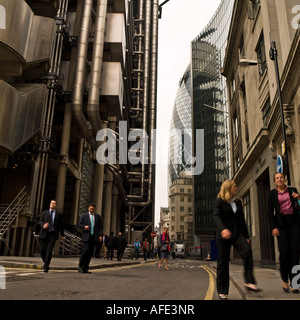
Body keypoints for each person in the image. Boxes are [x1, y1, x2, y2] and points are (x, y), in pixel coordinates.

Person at [213, 180, 261, 300]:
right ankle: (222, 291)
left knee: (247, 251)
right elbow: (216, 217)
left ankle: (249, 282)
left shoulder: (238, 202)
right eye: (235, 186)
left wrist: (246, 236)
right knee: (223, 262)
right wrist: (223, 229)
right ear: (228, 188)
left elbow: (242, 220)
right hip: (223, 235)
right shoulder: (219, 201)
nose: (237, 187)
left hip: (237, 234)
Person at [268, 172, 300, 293]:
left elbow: (298, 205)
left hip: (295, 223)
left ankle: (295, 282)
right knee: (284, 253)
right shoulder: (271, 194)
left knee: (295, 253)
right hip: (281, 225)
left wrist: (298, 197)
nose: (279, 179)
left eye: (281, 177)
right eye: (277, 178)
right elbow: (270, 213)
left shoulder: (292, 190)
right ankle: (284, 280)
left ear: (284, 179)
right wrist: (273, 227)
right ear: (274, 181)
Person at [38, 200, 65, 272]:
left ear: (56, 206)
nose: (52, 204)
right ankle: (46, 262)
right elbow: (40, 221)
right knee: (42, 250)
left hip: (53, 234)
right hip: (44, 233)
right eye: (51, 203)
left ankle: (46, 266)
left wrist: (62, 235)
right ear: (49, 204)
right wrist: (43, 225)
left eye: (54, 203)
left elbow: (61, 226)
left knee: (49, 251)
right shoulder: (44, 213)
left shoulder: (59, 215)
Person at [78, 203, 103, 273]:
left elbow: (100, 227)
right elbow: (79, 224)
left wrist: (100, 235)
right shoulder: (84, 216)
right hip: (86, 236)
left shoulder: (97, 217)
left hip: (93, 237)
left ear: (94, 209)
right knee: (85, 251)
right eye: (90, 208)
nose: (92, 210)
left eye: (93, 209)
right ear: (88, 208)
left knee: (90, 253)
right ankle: (80, 265)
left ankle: (85, 268)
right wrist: (84, 227)